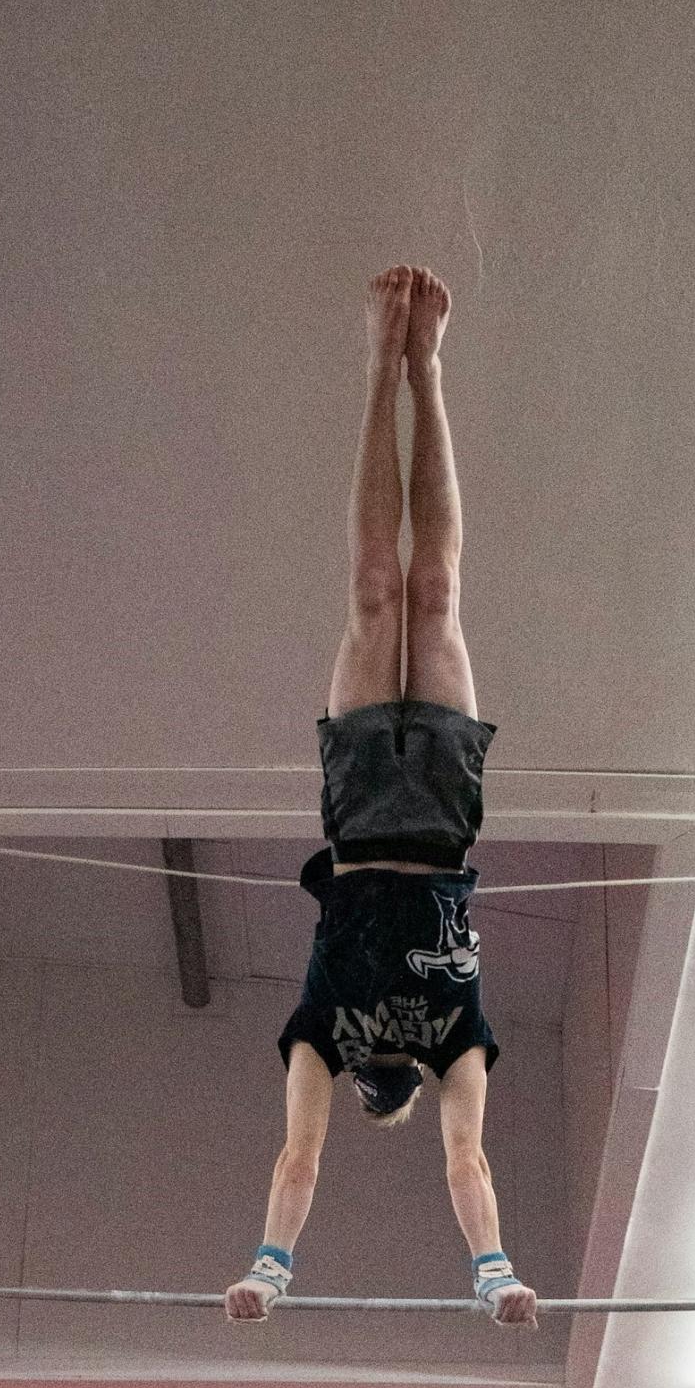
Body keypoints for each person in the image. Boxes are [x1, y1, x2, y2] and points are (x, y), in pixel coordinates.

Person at [225, 265, 538, 1330]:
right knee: (432, 591)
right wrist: (492, 1269)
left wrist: (271, 1265)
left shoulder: (325, 1033)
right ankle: (425, 370)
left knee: (374, 589)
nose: (388, 1076)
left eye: (380, 1082)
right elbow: (470, 1161)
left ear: (368, 1080)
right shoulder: (459, 1043)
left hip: (360, 820)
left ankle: (382, 363)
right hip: (443, 820)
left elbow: (297, 1155)